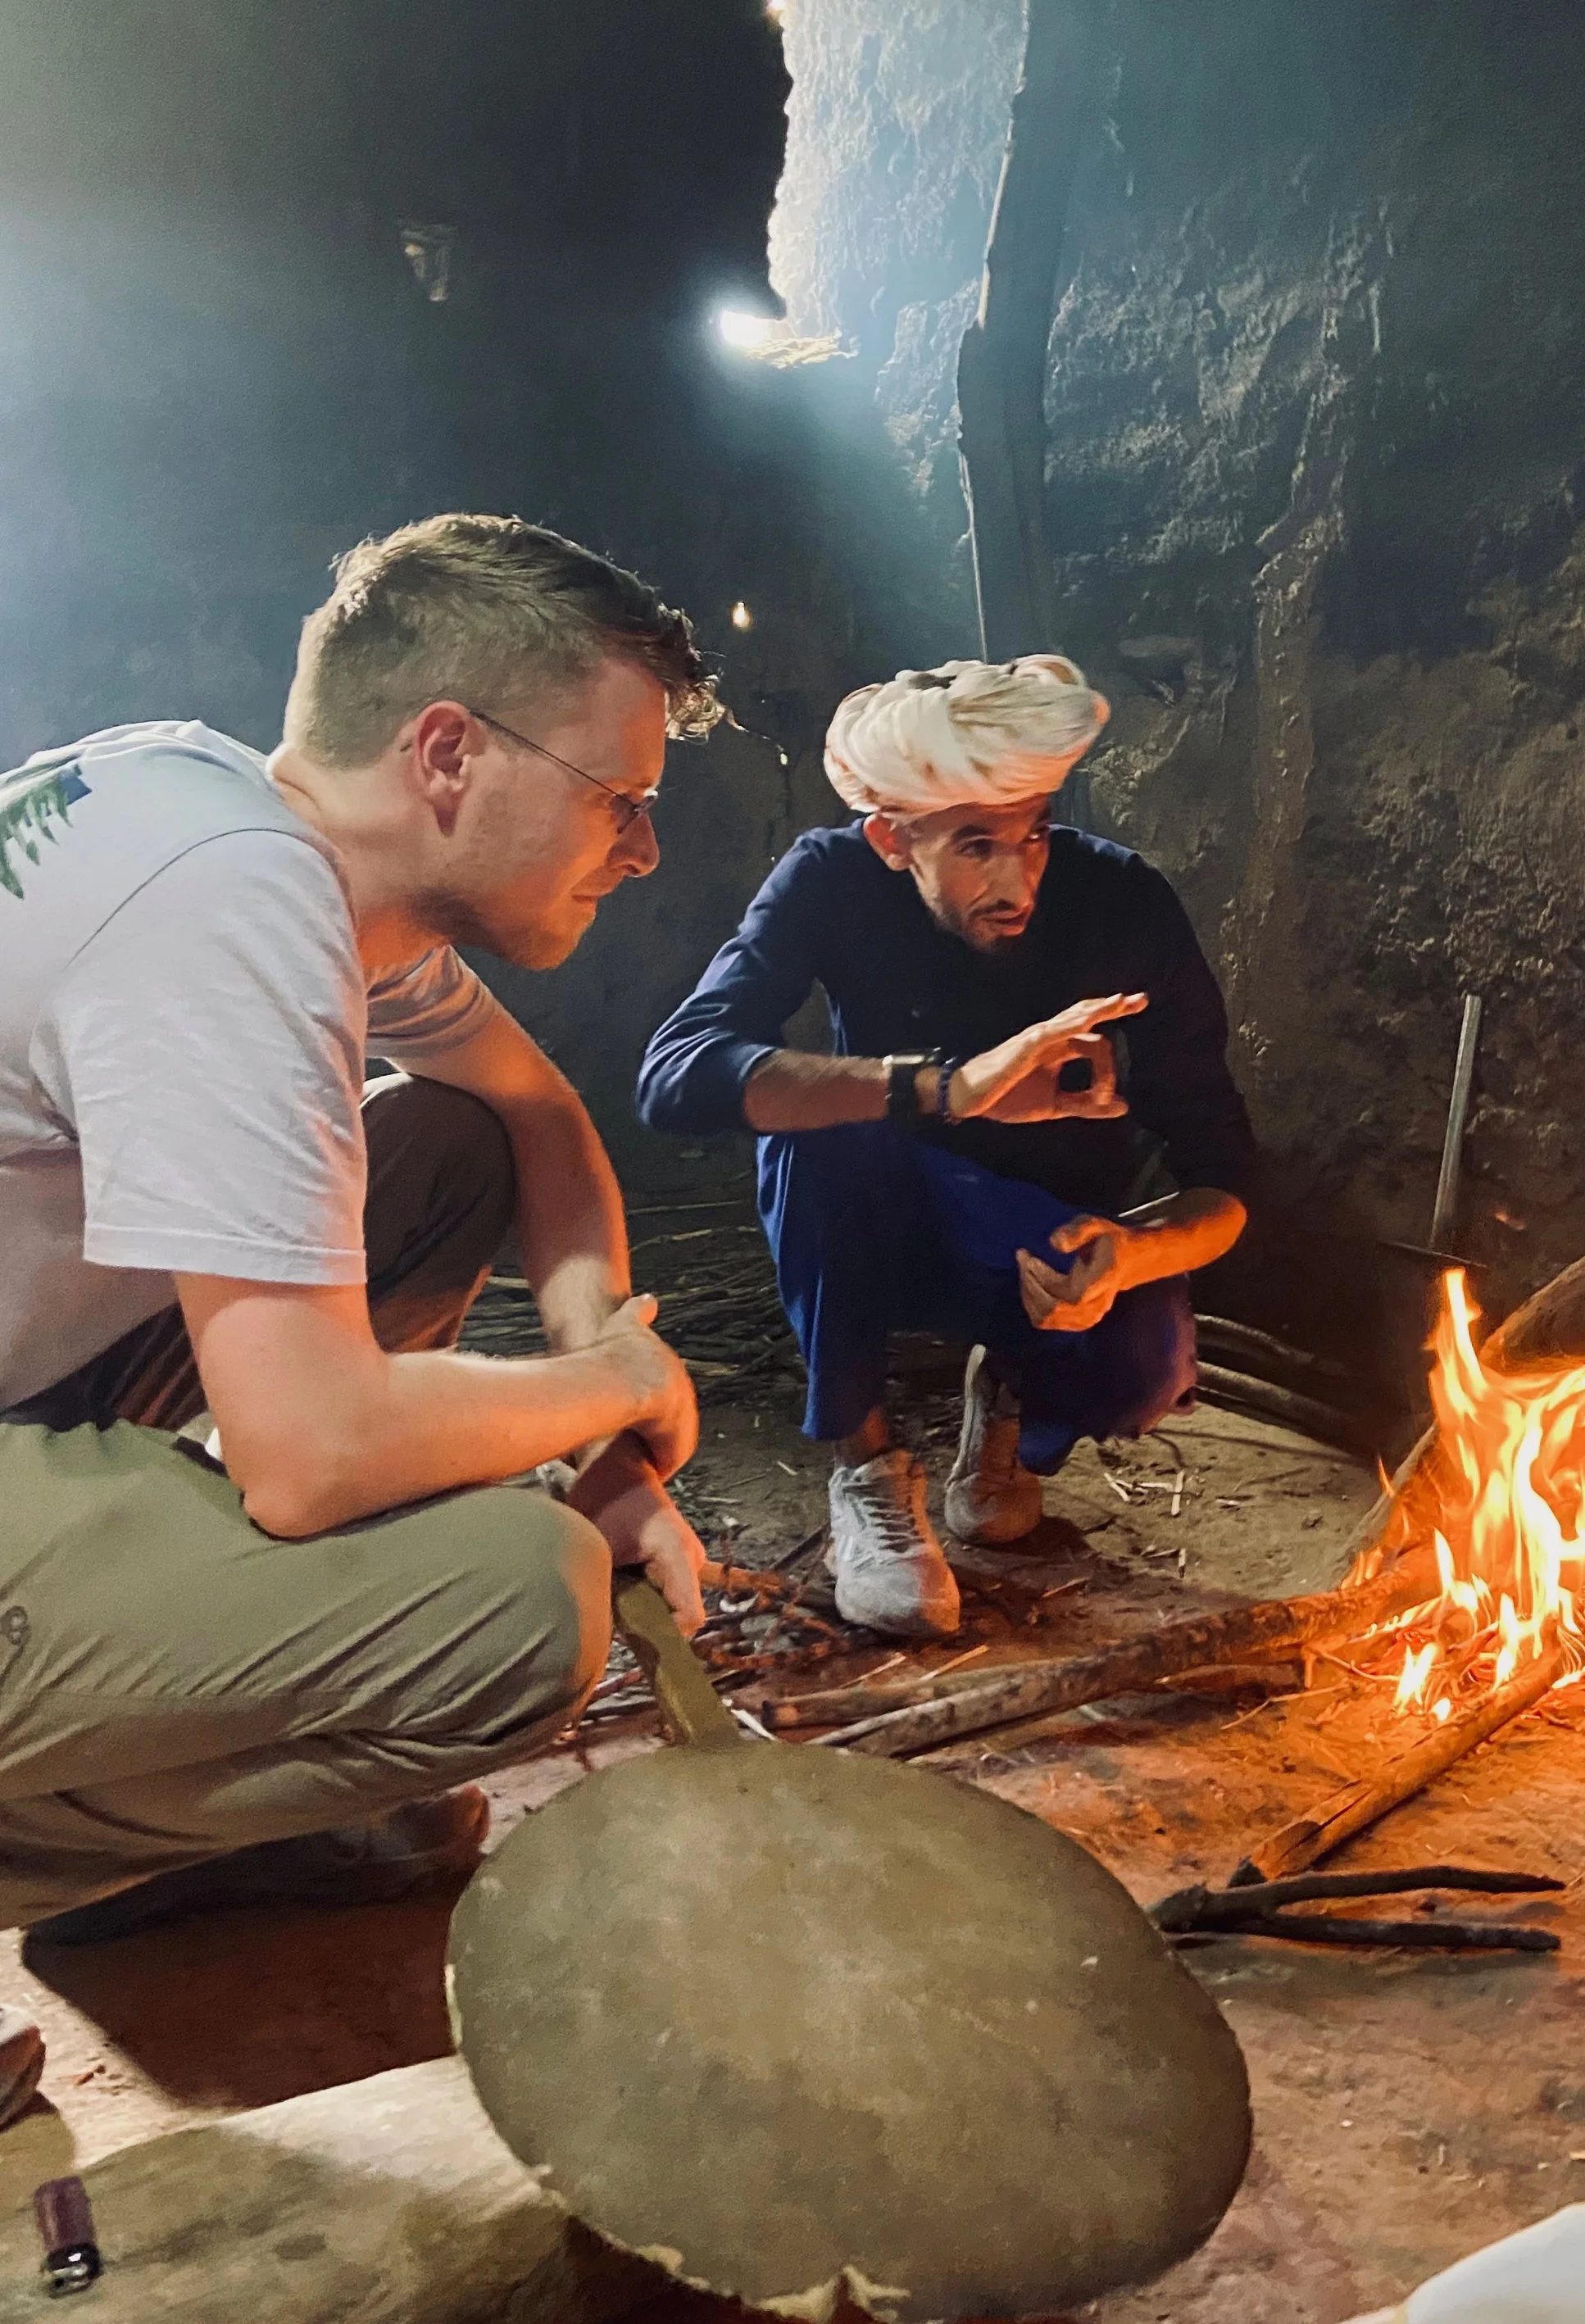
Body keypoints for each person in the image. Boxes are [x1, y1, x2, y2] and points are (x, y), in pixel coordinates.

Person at [0, 513, 713, 2022]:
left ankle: (184, 1724)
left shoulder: (253, 828)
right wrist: (615, 1378)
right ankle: (105, 1784)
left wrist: (601, 1411)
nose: (642, 849)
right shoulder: (229, 904)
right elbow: (314, 1458)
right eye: (620, 797)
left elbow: (536, 1116)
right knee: (525, 1601)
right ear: (449, 752)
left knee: (443, 1143)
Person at [637, 654, 1254, 1639]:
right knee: (824, 1126)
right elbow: (676, 1073)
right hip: (882, 1212)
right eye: (975, 847)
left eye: (1035, 835)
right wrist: (946, 1088)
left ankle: (1007, 1401)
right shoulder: (831, 878)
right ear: (892, 839)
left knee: (1148, 1366)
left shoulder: (1122, 903)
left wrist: (1133, 1254)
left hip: (1029, 1238)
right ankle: (868, 1471)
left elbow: (1226, 1175)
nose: (1017, 882)